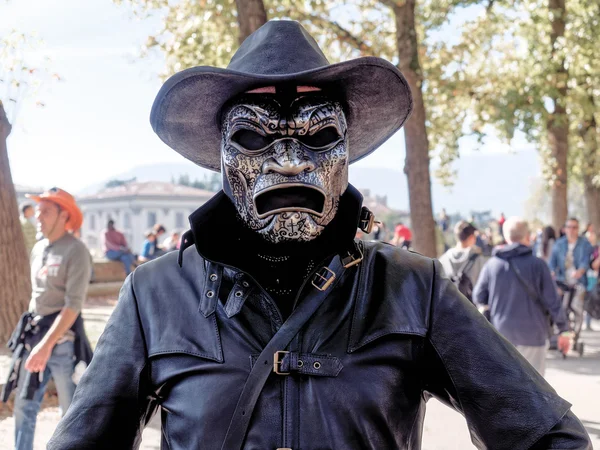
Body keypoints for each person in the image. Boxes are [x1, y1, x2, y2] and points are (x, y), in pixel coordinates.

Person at [48, 21, 591, 449]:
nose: (287, 161)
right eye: (253, 136)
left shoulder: (412, 288)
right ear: (221, 156)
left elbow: (548, 436)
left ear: (347, 151)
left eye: (320, 134)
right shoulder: (154, 295)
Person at [2, 188, 93, 450]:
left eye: (46, 211)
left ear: (64, 214)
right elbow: (37, 296)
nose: (38, 216)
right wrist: (34, 343)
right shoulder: (39, 247)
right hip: (34, 339)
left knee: (72, 414)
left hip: (63, 345)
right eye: (38, 210)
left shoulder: (76, 251)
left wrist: (46, 346)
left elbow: (73, 306)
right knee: (24, 406)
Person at [473, 217, 571, 376]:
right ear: (527, 236)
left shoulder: (492, 265)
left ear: (506, 237)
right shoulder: (538, 265)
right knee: (534, 390)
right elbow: (553, 301)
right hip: (534, 336)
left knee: (507, 389)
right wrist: (563, 331)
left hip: (501, 335)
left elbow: (478, 296)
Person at [549, 217, 593, 338]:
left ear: (578, 229)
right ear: (565, 229)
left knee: (576, 306)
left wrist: (580, 271)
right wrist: (552, 271)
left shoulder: (584, 244)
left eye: (575, 227)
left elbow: (585, 261)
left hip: (579, 282)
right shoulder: (559, 244)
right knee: (560, 307)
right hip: (562, 281)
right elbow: (552, 263)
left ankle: (576, 333)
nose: (572, 230)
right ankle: (561, 331)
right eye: (569, 227)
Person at [439, 221, 487, 302]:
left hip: (448, 310)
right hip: (471, 310)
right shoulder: (479, 260)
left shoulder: (442, 260)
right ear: (472, 237)